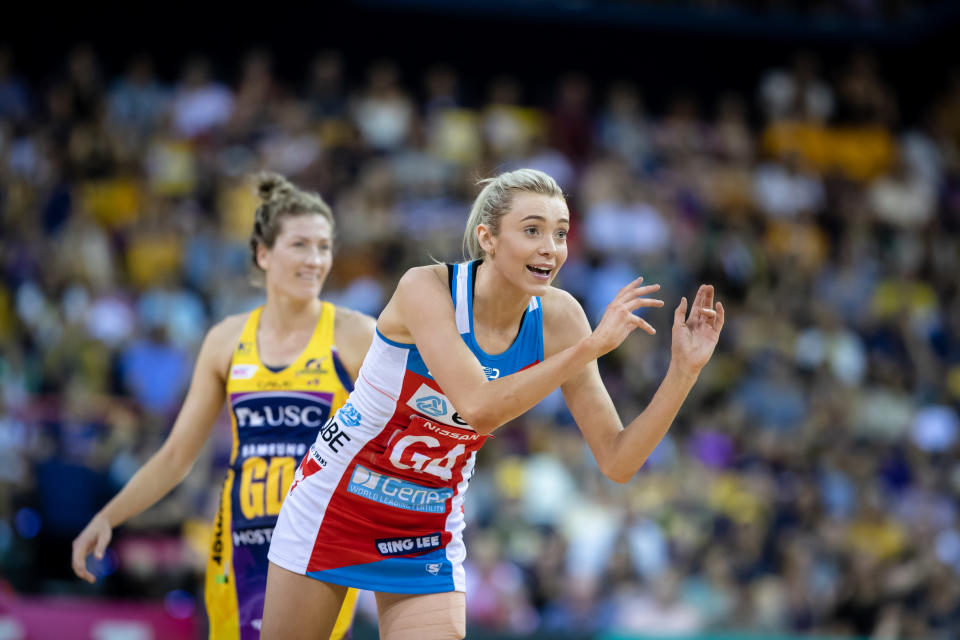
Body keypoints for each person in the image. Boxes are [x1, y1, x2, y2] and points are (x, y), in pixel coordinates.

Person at [261, 168, 725, 640]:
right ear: (487, 237)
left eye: (560, 233)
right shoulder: (426, 288)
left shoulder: (561, 318)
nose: (551, 247)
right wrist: (588, 349)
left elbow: (619, 460)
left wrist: (684, 372)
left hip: (428, 522)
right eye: (532, 230)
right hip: (336, 501)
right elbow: (479, 407)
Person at [71, 173, 376, 640]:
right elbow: (177, 455)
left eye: (323, 246)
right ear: (263, 254)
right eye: (300, 245)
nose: (315, 259)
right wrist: (107, 517)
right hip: (240, 538)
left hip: (319, 539)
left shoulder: (357, 335)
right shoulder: (226, 340)